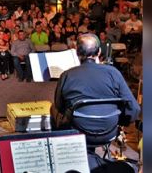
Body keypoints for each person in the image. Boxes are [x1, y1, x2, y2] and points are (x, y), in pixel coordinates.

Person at [50, 33, 140, 170]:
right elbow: (134, 108)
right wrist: (120, 122)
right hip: (109, 132)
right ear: (99, 52)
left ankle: (63, 153)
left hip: (78, 132)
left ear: (76, 52)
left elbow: (59, 106)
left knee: (52, 108)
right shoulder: (113, 73)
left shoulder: (67, 75)